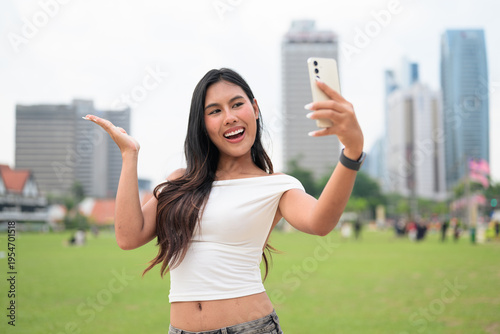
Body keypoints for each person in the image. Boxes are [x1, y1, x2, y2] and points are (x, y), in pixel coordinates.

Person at [84, 68, 364, 333]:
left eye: (237, 104)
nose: (229, 117)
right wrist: (129, 155)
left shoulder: (276, 186)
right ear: (203, 123)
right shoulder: (180, 181)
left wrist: (351, 151)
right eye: (215, 111)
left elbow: (320, 222)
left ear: (255, 109)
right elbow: (128, 236)